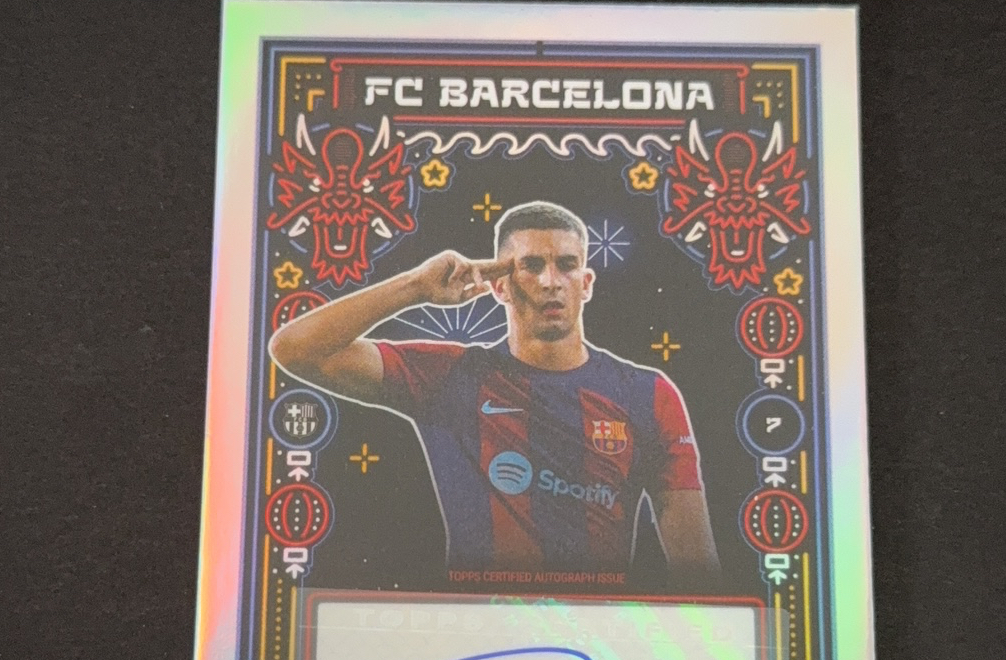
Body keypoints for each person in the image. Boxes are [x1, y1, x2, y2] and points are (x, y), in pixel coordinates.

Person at [269, 201, 719, 578]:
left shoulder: (648, 394)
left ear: (586, 284)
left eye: (566, 265)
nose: (550, 281)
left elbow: (697, 568)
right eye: (531, 266)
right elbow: (295, 349)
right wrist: (415, 287)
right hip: (480, 628)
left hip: (598, 633)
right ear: (500, 287)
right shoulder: (449, 376)